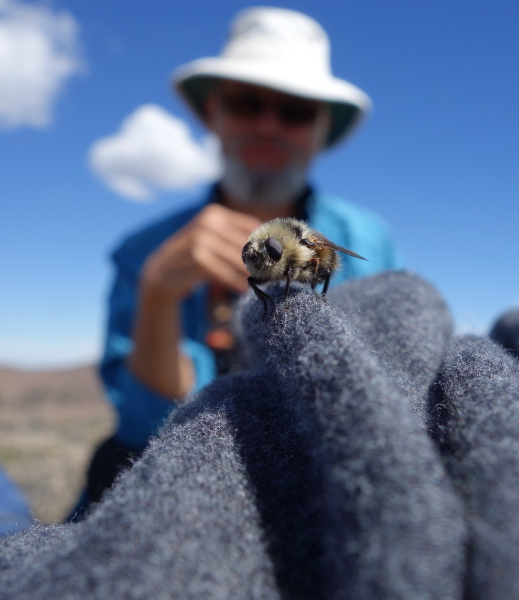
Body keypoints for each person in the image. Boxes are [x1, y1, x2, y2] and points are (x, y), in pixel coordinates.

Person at [81, 7, 404, 508]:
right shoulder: (145, 252)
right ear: (215, 114)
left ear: (319, 130)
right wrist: (159, 293)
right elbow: (144, 423)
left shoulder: (368, 236)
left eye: (295, 111)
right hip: (176, 477)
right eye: (247, 103)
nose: (269, 124)